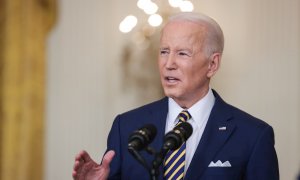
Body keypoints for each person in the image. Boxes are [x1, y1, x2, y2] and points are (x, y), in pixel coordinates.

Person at [72, 12, 279, 180]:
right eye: (164, 51)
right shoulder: (126, 127)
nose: (169, 63)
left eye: (182, 53)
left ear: (212, 64)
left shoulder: (253, 136)